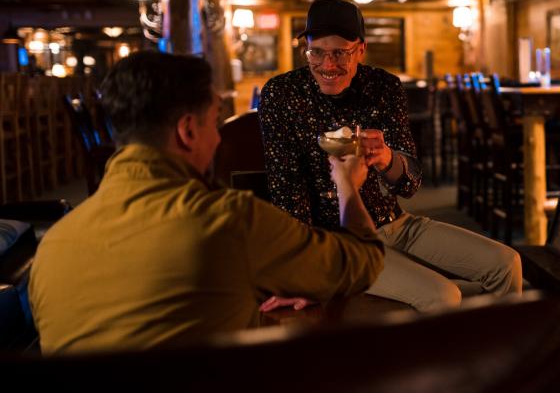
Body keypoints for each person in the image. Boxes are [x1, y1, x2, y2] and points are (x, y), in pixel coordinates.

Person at [29, 51, 384, 354]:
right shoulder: (228, 220)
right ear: (187, 131)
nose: (218, 138)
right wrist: (347, 185)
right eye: (215, 121)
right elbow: (363, 261)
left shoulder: (53, 246)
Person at [259, 0, 522, 311]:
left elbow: (410, 184)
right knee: (443, 295)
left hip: (397, 224)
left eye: (340, 52)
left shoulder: (384, 87)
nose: (328, 65)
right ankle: (445, 361)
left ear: (361, 49)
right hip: (338, 243)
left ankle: (504, 354)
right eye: (317, 52)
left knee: (507, 263)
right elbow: (286, 193)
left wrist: (385, 157)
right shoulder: (282, 94)